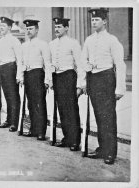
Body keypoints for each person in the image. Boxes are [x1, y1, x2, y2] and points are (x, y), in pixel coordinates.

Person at [81, 8, 126, 164]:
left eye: (97, 20)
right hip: (93, 79)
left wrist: (120, 88)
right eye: (92, 20)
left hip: (107, 79)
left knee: (108, 117)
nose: (94, 22)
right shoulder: (88, 40)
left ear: (104, 21)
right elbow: (83, 61)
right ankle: (101, 149)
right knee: (99, 116)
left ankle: (110, 153)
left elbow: (120, 64)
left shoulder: (112, 40)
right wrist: (84, 82)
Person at [49, 17, 86, 150]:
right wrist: (50, 79)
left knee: (71, 109)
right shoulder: (52, 44)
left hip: (69, 77)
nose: (56, 29)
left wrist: (81, 85)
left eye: (59, 27)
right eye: (55, 27)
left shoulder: (73, 43)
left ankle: (75, 140)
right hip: (57, 77)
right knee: (62, 109)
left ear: (66, 28)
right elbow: (50, 64)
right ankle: (66, 138)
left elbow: (80, 64)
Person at [20, 19, 51, 140]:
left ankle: (41, 131)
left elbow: (47, 63)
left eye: (31, 29)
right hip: (28, 74)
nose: (28, 31)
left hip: (38, 75)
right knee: (31, 104)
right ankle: (33, 128)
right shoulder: (24, 46)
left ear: (37, 30)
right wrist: (21, 76)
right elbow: (21, 63)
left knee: (40, 104)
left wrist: (47, 80)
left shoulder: (43, 44)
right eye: (27, 29)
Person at [0, 16, 23, 132]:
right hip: (2, 70)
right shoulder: (0, 42)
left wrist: (19, 75)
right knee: (7, 97)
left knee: (13, 97)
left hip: (11, 69)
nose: (1, 28)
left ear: (10, 27)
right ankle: (8, 119)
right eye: (0, 26)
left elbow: (19, 59)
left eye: (4, 26)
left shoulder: (14, 41)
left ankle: (14, 123)